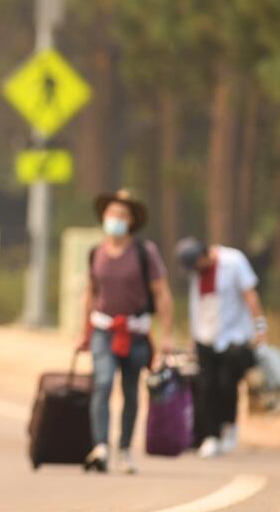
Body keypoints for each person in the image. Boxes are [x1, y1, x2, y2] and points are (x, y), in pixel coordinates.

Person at [76, 189, 175, 474]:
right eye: (111, 213)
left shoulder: (145, 253)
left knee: (131, 392)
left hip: (136, 332)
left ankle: (124, 449)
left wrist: (166, 334)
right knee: (103, 383)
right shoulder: (96, 252)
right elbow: (90, 293)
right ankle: (100, 447)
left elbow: (161, 294)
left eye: (122, 215)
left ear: (131, 221)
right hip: (103, 330)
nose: (115, 219)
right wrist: (84, 331)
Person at [173, 237, 266, 458]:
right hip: (205, 337)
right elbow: (197, 306)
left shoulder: (233, 261)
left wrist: (260, 328)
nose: (196, 269)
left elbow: (250, 295)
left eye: (197, 264)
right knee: (206, 387)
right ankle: (211, 436)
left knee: (227, 384)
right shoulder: (197, 273)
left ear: (204, 255)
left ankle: (229, 426)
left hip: (233, 337)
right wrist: (193, 337)